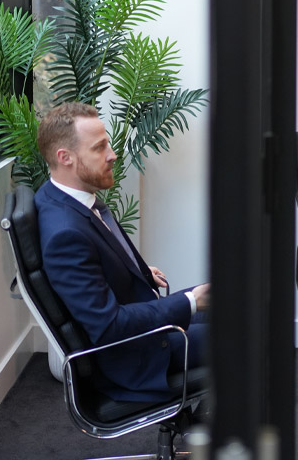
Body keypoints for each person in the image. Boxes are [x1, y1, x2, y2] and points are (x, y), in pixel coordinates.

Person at [34, 102, 210, 403]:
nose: (113, 155)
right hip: (136, 358)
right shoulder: (65, 232)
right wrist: (192, 301)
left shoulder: (67, 198)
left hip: (138, 330)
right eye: (100, 148)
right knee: (249, 330)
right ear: (65, 158)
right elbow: (109, 327)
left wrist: (136, 273)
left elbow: (95, 265)